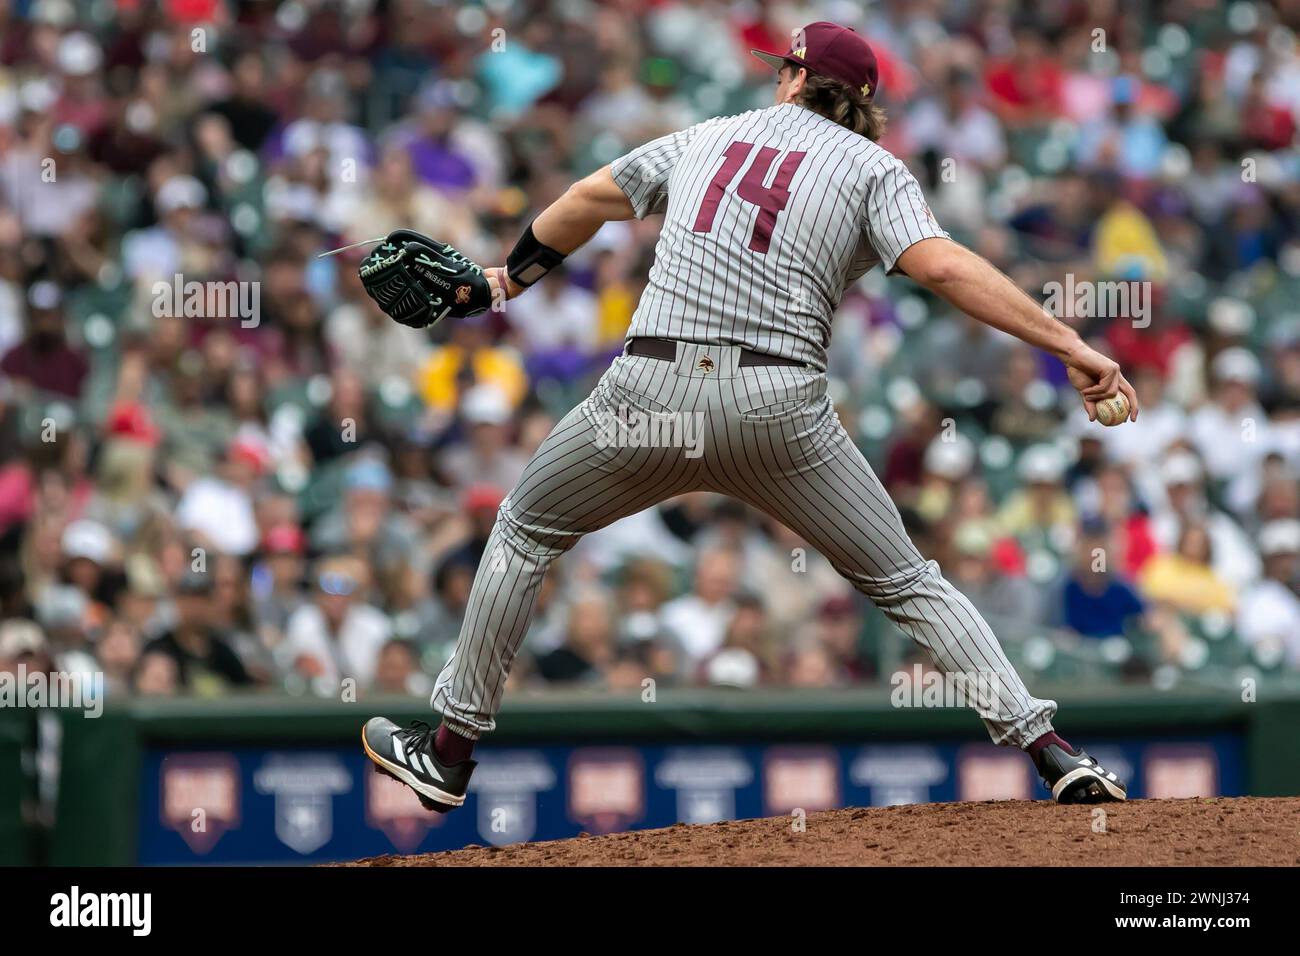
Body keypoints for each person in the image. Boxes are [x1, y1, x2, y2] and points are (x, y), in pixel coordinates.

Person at [362, 22, 1138, 812]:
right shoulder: (876, 167)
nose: (778, 80)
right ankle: (1052, 752)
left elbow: (591, 197)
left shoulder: (709, 135)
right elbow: (938, 265)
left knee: (525, 532)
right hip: (778, 411)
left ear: (797, 78)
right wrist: (1066, 341)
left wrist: (503, 284)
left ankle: (451, 752)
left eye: (785, 70)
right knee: (908, 582)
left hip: (649, 397)